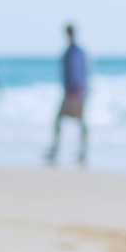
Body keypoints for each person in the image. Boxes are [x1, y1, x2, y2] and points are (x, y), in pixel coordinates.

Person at [46, 22, 89, 166]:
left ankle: (78, 150)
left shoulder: (74, 53)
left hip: (74, 92)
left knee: (66, 121)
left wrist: (77, 90)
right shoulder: (74, 52)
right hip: (76, 91)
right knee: (72, 121)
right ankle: (78, 150)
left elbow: (78, 73)